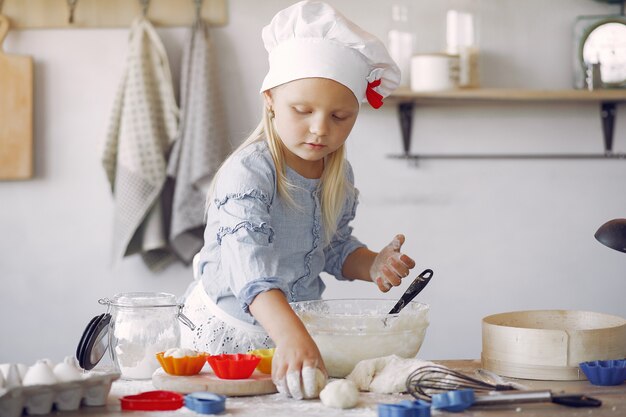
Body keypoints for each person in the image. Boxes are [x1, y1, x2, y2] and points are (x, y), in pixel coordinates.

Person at [181, 0, 416, 400]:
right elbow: (246, 263)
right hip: (227, 334)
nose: (320, 130)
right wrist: (292, 334)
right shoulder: (251, 171)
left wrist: (372, 263)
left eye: (340, 117)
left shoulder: (337, 174)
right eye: (302, 110)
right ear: (270, 99)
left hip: (291, 334)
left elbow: (332, 247)